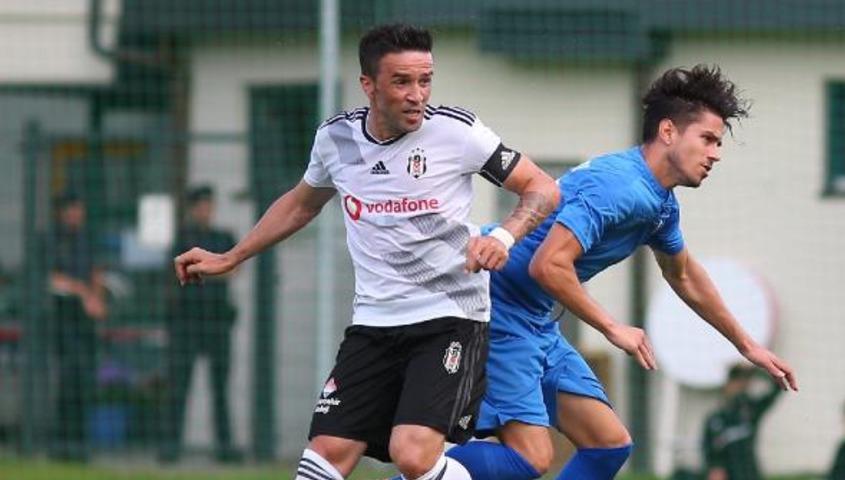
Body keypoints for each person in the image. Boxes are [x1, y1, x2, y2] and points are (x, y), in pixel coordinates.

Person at [173, 23, 559, 480]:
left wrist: (503, 237)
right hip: (374, 324)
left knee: (412, 455)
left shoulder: (458, 133)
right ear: (368, 85)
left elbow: (542, 188)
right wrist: (232, 256)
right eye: (402, 82)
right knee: (324, 455)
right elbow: (301, 203)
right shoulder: (336, 140)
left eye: (425, 80)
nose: (418, 94)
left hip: (450, 318)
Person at [442, 65, 798, 480]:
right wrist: (613, 327)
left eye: (718, 142)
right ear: (668, 132)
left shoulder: (660, 203)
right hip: (496, 306)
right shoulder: (622, 188)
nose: (716, 153)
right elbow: (547, 265)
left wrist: (746, 345)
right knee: (530, 459)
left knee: (608, 445)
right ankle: (415, 473)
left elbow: (682, 274)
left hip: (535, 319)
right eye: (707, 139)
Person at [160, 185, 240, 463]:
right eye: (201, 205)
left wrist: (205, 269)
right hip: (186, 322)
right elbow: (180, 271)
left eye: (209, 205)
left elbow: (233, 269)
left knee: (220, 389)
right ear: (193, 209)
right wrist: (215, 267)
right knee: (179, 387)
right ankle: (170, 448)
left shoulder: (223, 236)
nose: (206, 210)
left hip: (217, 321)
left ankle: (225, 448)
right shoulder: (182, 238)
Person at [48, 192, 107, 462]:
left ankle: (82, 446)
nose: (76, 214)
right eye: (71, 209)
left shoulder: (87, 240)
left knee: (85, 382)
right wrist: (82, 292)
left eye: (78, 208)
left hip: (85, 323)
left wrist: (97, 298)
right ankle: (62, 445)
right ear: (62, 212)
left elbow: (96, 272)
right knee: (68, 382)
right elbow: (51, 278)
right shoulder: (51, 240)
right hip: (62, 318)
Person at [701, 364, 783, 480]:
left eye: (742, 381)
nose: (739, 386)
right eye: (735, 381)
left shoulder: (751, 411)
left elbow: (778, 387)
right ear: (727, 384)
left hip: (750, 474)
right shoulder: (715, 419)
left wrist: (757, 369)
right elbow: (708, 450)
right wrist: (715, 468)